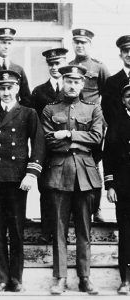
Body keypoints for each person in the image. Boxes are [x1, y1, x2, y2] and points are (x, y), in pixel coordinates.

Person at [0, 70, 45, 292]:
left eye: (10, 88)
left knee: (15, 230)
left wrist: (31, 174)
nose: (6, 92)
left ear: (17, 89)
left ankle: (17, 279)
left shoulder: (28, 113)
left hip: (17, 180)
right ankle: (2, 278)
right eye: (2, 88)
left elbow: (39, 146)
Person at [41, 65, 103, 295]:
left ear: (82, 84)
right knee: (59, 229)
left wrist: (68, 135)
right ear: (63, 81)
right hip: (59, 174)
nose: (72, 86)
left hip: (86, 176)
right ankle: (60, 277)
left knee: (84, 229)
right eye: (69, 81)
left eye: (77, 82)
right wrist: (80, 142)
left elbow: (97, 138)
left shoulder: (93, 109)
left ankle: (85, 277)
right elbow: (49, 141)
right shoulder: (50, 109)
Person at [69, 28, 110, 223]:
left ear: (90, 45)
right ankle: (73, 209)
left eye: (83, 42)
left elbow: (108, 96)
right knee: (74, 164)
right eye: (76, 42)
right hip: (74, 123)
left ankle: (97, 208)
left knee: (93, 165)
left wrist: (104, 123)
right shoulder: (68, 67)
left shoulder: (99, 68)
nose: (80, 45)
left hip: (93, 123)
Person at [31, 47, 68, 243]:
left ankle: (63, 233)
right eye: (51, 64)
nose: (54, 67)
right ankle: (47, 231)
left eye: (58, 63)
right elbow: (34, 123)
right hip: (45, 149)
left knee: (66, 190)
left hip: (66, 150)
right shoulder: (39, 91)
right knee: (46, 189)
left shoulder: (72, 89)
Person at [103, 84, 130, 295]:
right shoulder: (116, 124)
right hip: (124, 188)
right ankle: (125, 280)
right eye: (128, 96)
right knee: (126, 234)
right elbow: (108, 157)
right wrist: (110, 185)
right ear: (123, 100)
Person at [0, 28, 32, 107]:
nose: (6, 47)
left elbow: (26, 98)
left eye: (9, 43)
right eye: (3, 43)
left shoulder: (18, 69)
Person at [102, 35, 130, 127]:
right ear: (120, 55)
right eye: (125, 51)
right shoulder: (111, 81)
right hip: (118, 134)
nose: (129, 54)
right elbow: (107, 111)